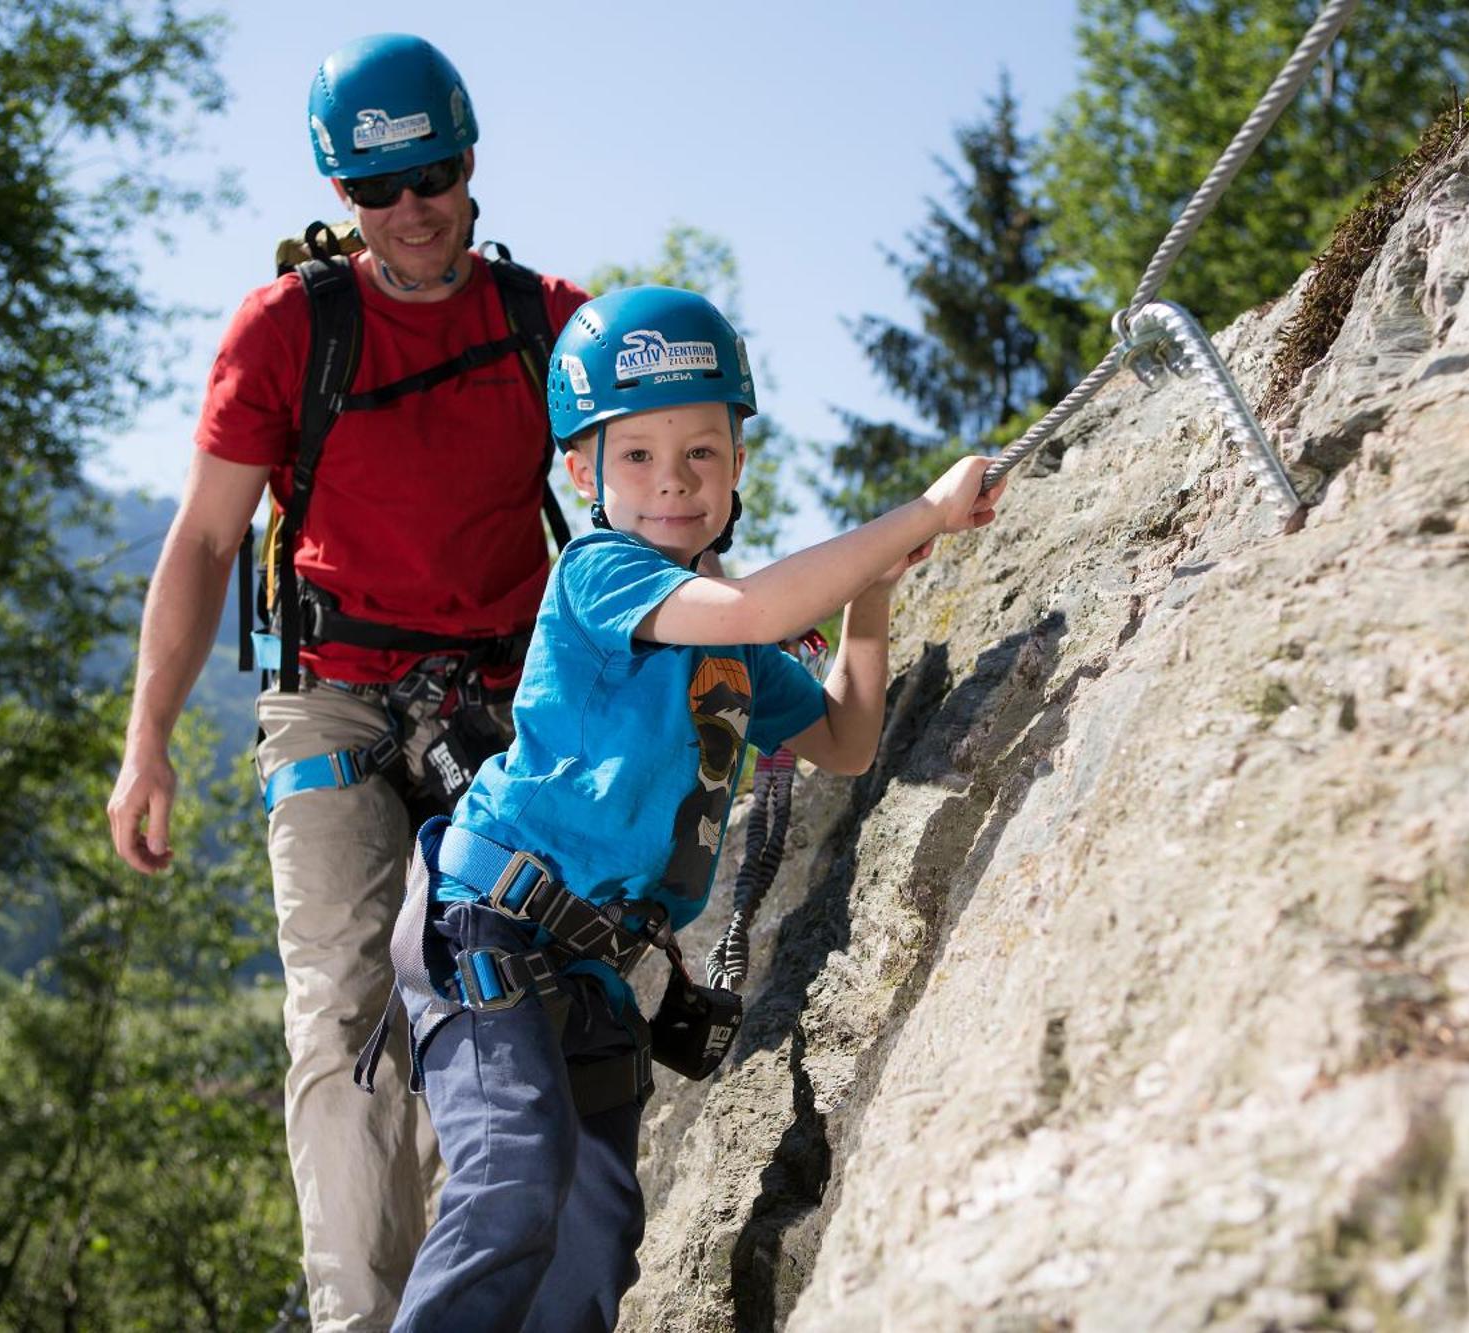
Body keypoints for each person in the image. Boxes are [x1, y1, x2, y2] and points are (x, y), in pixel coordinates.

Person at [374, 285, 1005, 1329]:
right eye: (636, 456)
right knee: (511, 1183)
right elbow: (757, 602)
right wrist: (924, 513)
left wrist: (872, 595)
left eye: (702, 452)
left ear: (738, 463)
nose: (672, 481)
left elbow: (845, 740)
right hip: (484, 929)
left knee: (592, 1241)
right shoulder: (597, 574)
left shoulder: (738, 658)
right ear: (582, 473)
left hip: (589, 966)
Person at [104, 33, 589, 1331]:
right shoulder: (288, 333)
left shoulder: (548, 326)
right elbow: (205, 540)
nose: (413, 210)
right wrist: (145, 740)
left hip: (502, 697)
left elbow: (653, 509)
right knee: (343, 1008)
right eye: (380, 191)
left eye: (431, 174)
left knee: (494, 986)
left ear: (469, 158)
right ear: (342, 197)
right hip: (328, 694)